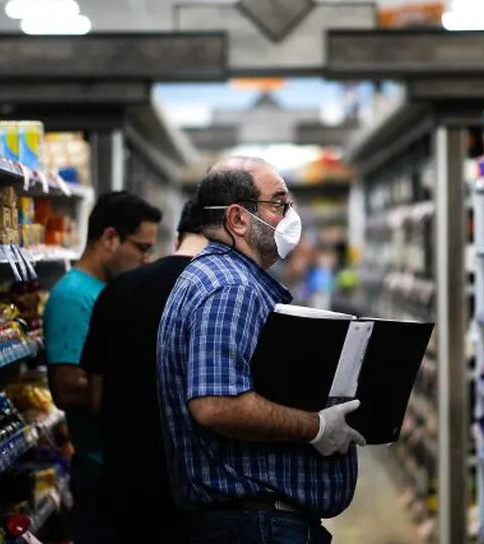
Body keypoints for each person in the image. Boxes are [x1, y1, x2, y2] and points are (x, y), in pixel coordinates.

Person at [157, 158, 365, 544]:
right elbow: (215, 404)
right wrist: (317, 427)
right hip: (255, 526)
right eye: (279, 204)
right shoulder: (230, 288)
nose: (291, 216)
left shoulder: (222, 278)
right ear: (237, 220)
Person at [80, 199, 209, 543]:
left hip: (126, 487)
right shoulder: (225, 294)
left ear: (180, 234)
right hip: (199, 495)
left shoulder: (117, 290)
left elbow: (96, 397)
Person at [43, 190, 162, 544]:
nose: (145, 260)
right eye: (141, 248)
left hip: (120, 467)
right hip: (99, 469)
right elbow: (66, 387)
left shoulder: (109, 289)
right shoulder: (73, 295)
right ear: (110, 238)